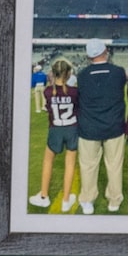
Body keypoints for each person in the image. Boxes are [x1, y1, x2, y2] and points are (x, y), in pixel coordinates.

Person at [76, 38, 128, 214]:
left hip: (89, 127)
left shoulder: (82, 75)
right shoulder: (119, 72)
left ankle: (88, 200)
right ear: (105, 51)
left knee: (88, 165)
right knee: (114, 165)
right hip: (114, 126)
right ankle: (114, 200)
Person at [37, 56, 79, 211]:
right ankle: (66, 201)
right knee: (70, 164)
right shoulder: (75, 92)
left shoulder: (48, 91)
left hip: (55, 128)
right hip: (72, 128)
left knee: (48, 161)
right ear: (68, 74)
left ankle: (44, 196)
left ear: (53, 73)